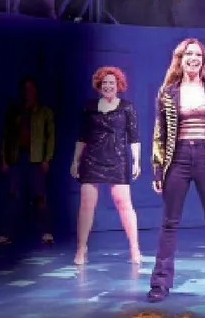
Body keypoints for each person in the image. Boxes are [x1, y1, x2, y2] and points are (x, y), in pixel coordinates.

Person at [148, 38, 205, 302]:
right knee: (169, 223)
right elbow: (159, 132)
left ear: (203, 60)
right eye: (189, 54)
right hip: (178, 158)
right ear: (180, 59)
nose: (193, 58)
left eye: (198, 55)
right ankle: (160, 284)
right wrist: (157, 168)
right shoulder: (168, 91)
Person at [70, 66, 142, 265]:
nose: (108, 86)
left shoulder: (127, 107)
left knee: (123, 203)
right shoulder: (90, 107)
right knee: (86, 203)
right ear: (99, 85)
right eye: (105, 83)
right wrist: (75, 160)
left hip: (117, 158)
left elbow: (134, 137)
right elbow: (82, 137)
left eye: (112, 83)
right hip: (92, 158)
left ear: (118, 85)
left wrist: (136, 160)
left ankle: (134, 248)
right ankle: (81, 248)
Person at [0, 77, 55, 245]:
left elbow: (50, 137)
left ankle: (46, 232)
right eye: (25, 89)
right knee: (12, 195)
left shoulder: (44, 112)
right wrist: (4, 160)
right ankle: (6, 234)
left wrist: (47, 159)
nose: (27, 92)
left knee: (39, 197)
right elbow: (5, 137)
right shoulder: (15, 112)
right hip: (17, 157)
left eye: (30, 89)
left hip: (36, 159)